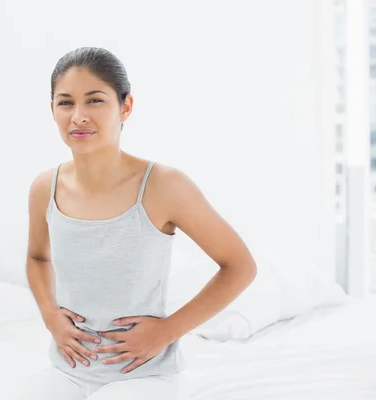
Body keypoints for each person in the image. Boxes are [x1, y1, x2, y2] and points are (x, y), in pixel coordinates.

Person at [14, 47, 257, 400]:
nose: (78, 116)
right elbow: (37, 258)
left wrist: (166, 332)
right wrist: (50, 317)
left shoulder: (164, 185)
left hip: (142, 376)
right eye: (65, 103)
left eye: (94, 101)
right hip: (68, 372)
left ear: (125, 106)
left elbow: (240, 266)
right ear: (52, 109)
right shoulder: (44, 188)